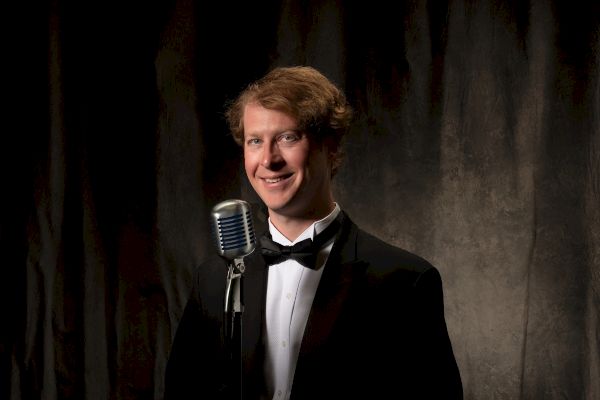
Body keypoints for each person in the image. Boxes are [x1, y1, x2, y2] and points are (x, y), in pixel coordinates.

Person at [164, 66, 463, 399]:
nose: (268, 159)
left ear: (330, 147)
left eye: (288, 137)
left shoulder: (406, 282)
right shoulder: (214, 279)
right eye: (255, 141)